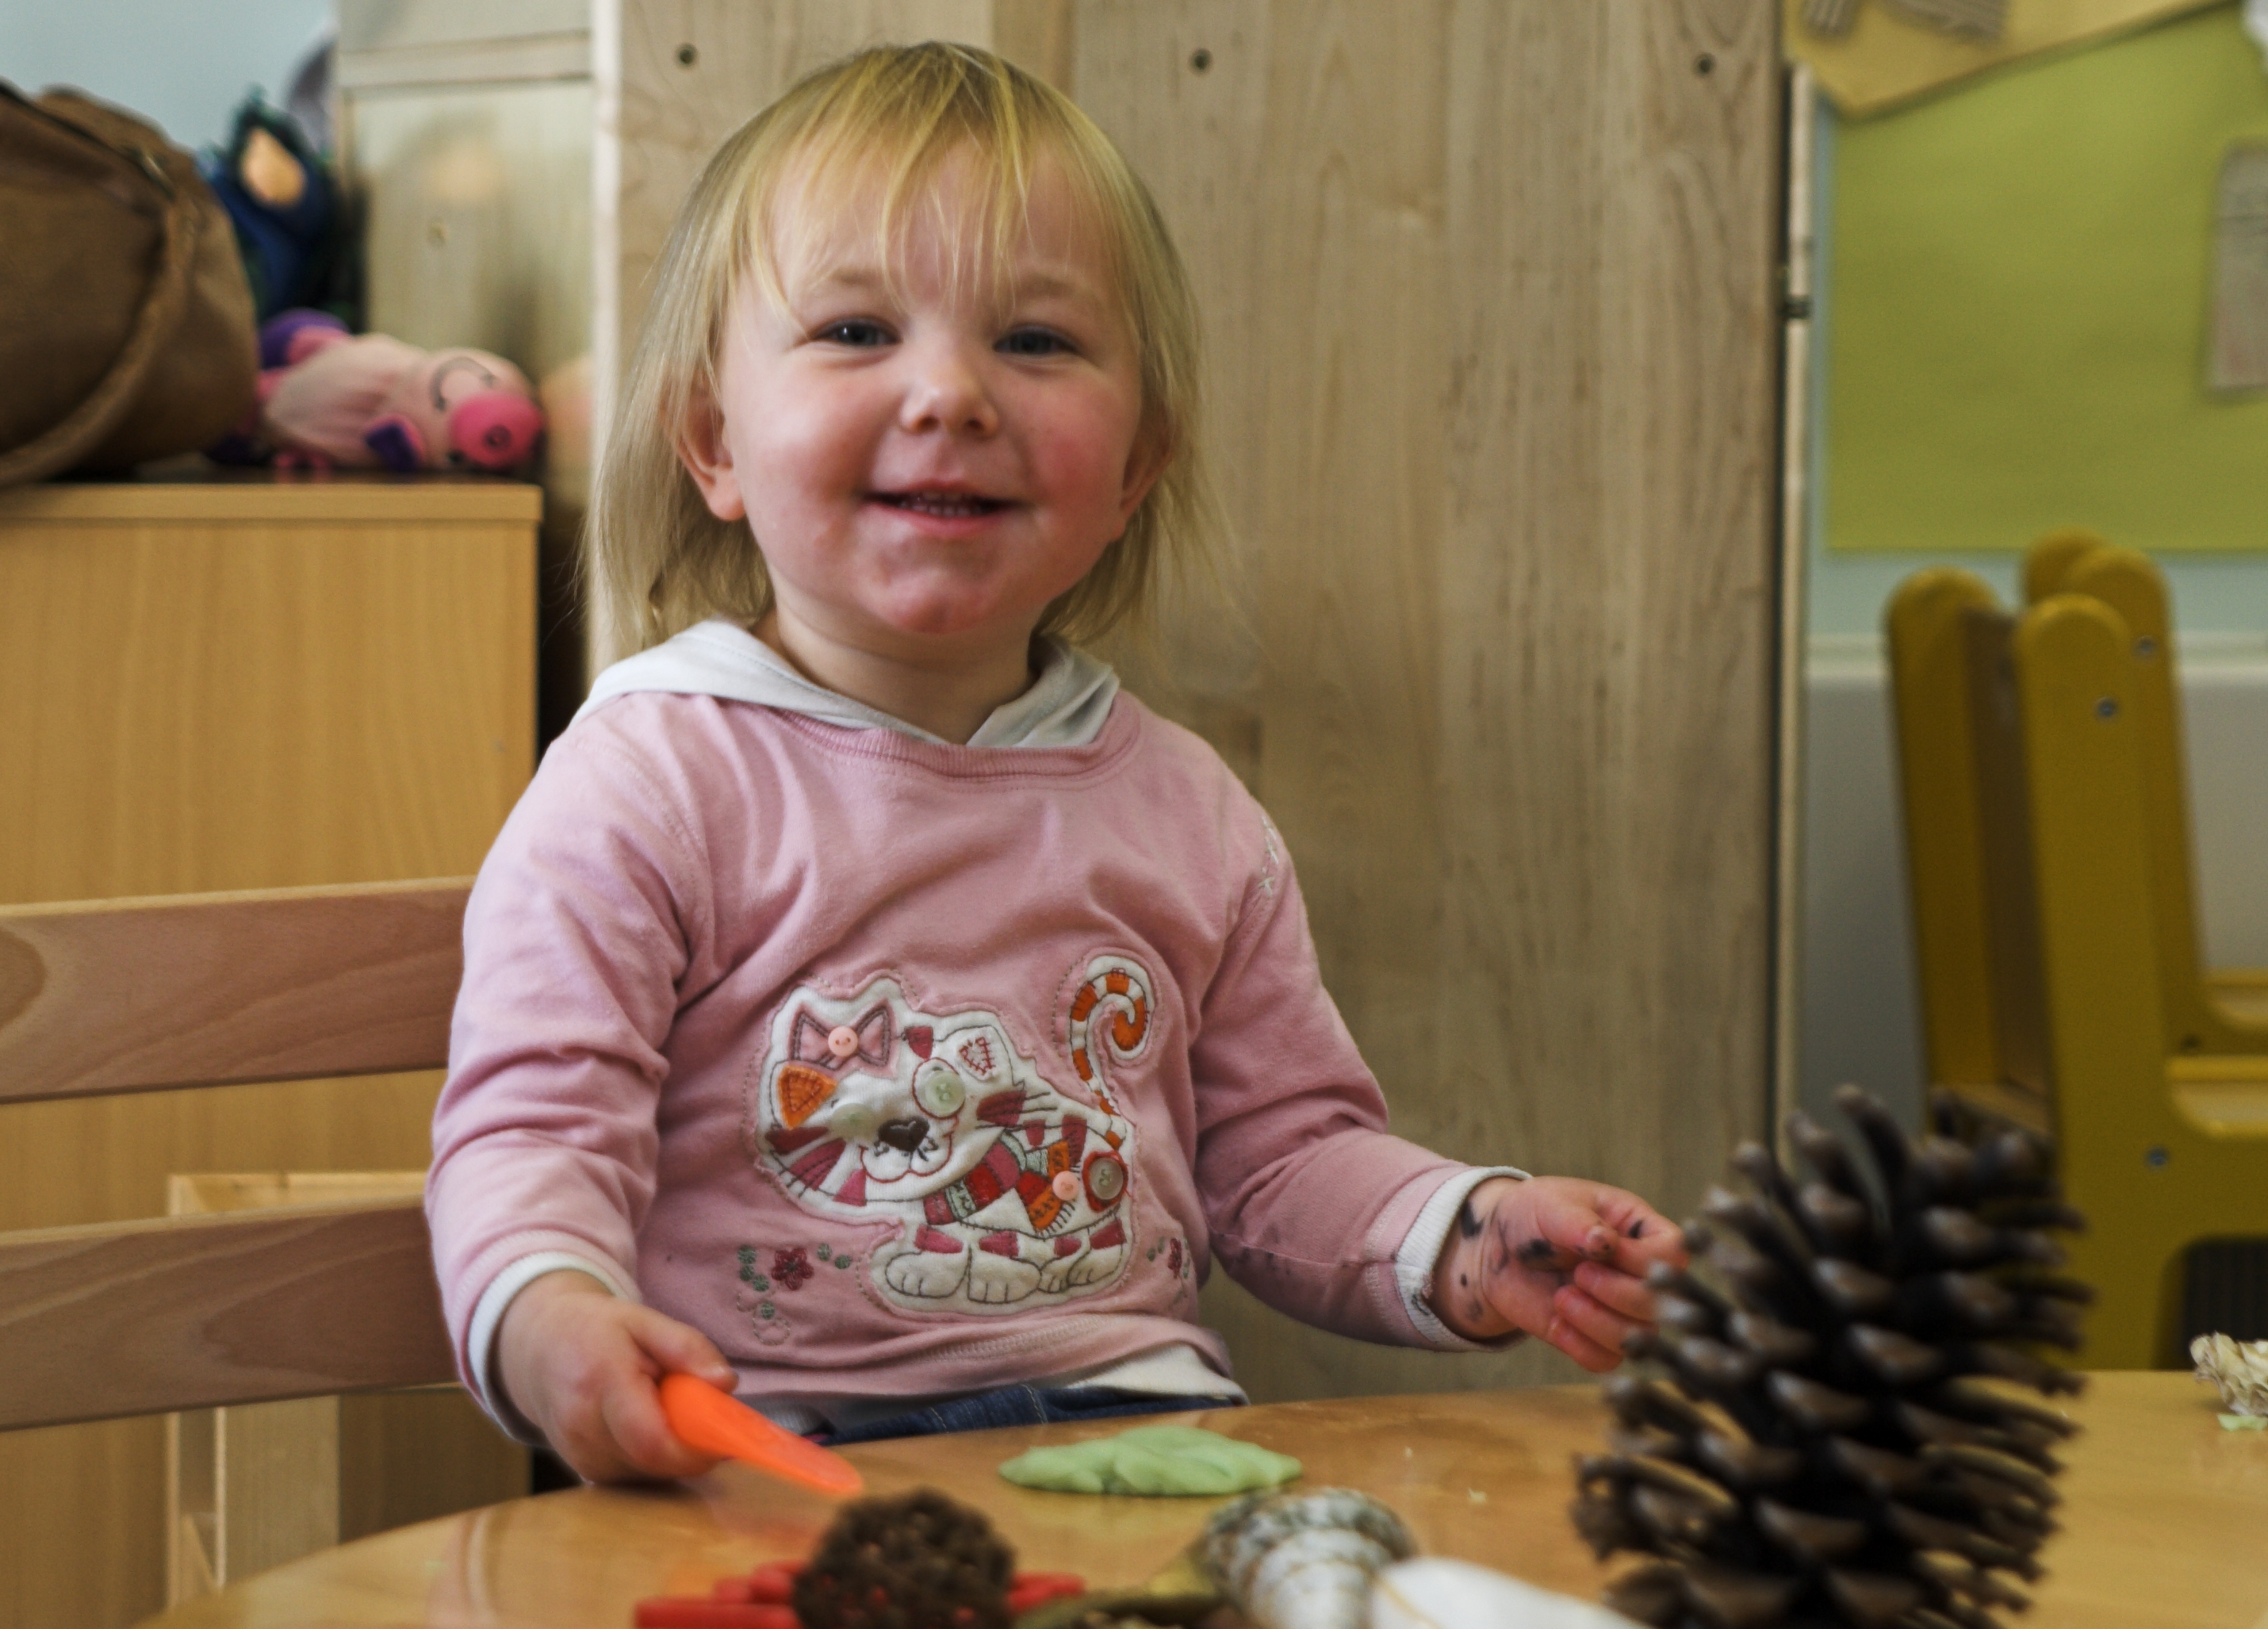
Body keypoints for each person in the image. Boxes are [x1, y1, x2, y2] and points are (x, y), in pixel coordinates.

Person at [426, 41, 1688, 1485]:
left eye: (1034, 342)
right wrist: (552, 1320)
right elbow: (531, 1131)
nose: (950, 393)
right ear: (713, 439)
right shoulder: (649, 779)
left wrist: (1468, 1234)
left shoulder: (1189, 813)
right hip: (767, 1449)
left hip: (1141, 1440)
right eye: (853, 332)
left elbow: (1278, 1164)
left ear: (1138, 462)